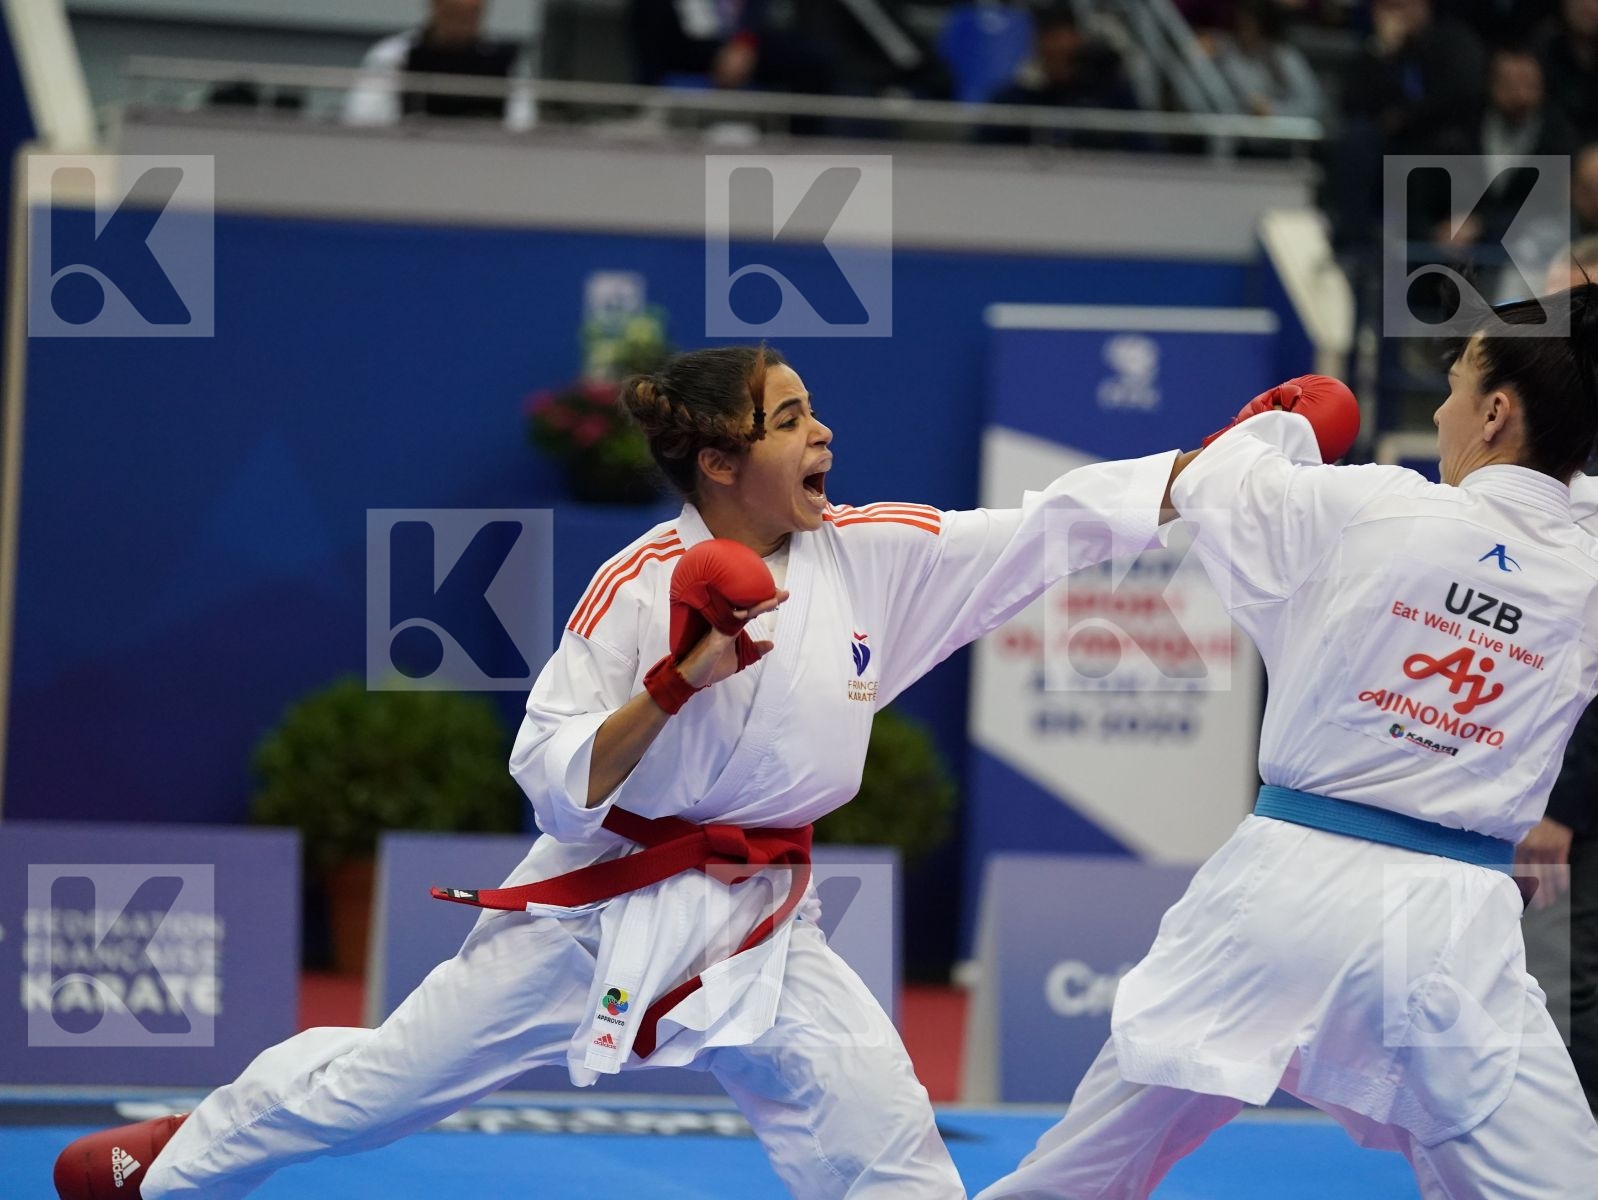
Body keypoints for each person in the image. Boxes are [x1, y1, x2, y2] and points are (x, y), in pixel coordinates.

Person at [52, 344, 1190, 1200]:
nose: (823, 434)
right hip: (601, 904)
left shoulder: (872, 556)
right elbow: (549, 775)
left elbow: (1051, 526)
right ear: (719, 461)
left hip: (762, 917)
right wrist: (676, 684)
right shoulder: (639, 584)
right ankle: (174, 1162)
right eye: (790, 419)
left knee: (882, 1138)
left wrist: (1211, 474)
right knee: (375, 1092)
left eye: (812, 412)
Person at [976, 291, 1598, 1198]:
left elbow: (1209, 478)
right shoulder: (1586, 568)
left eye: (1458, 385)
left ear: (1497, 412)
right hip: (1449, 927)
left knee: (1083, 1172)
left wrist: (1284, 430)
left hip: (1277, 895)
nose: (1438, 409)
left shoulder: (1368, 507)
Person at [343, 0, 535, 131]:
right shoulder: (392, 56)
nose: (464, 22)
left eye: (473, 14)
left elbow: (521, 125)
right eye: (455, 14)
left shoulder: (506, 61)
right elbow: (364, 120)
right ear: (435, 6)